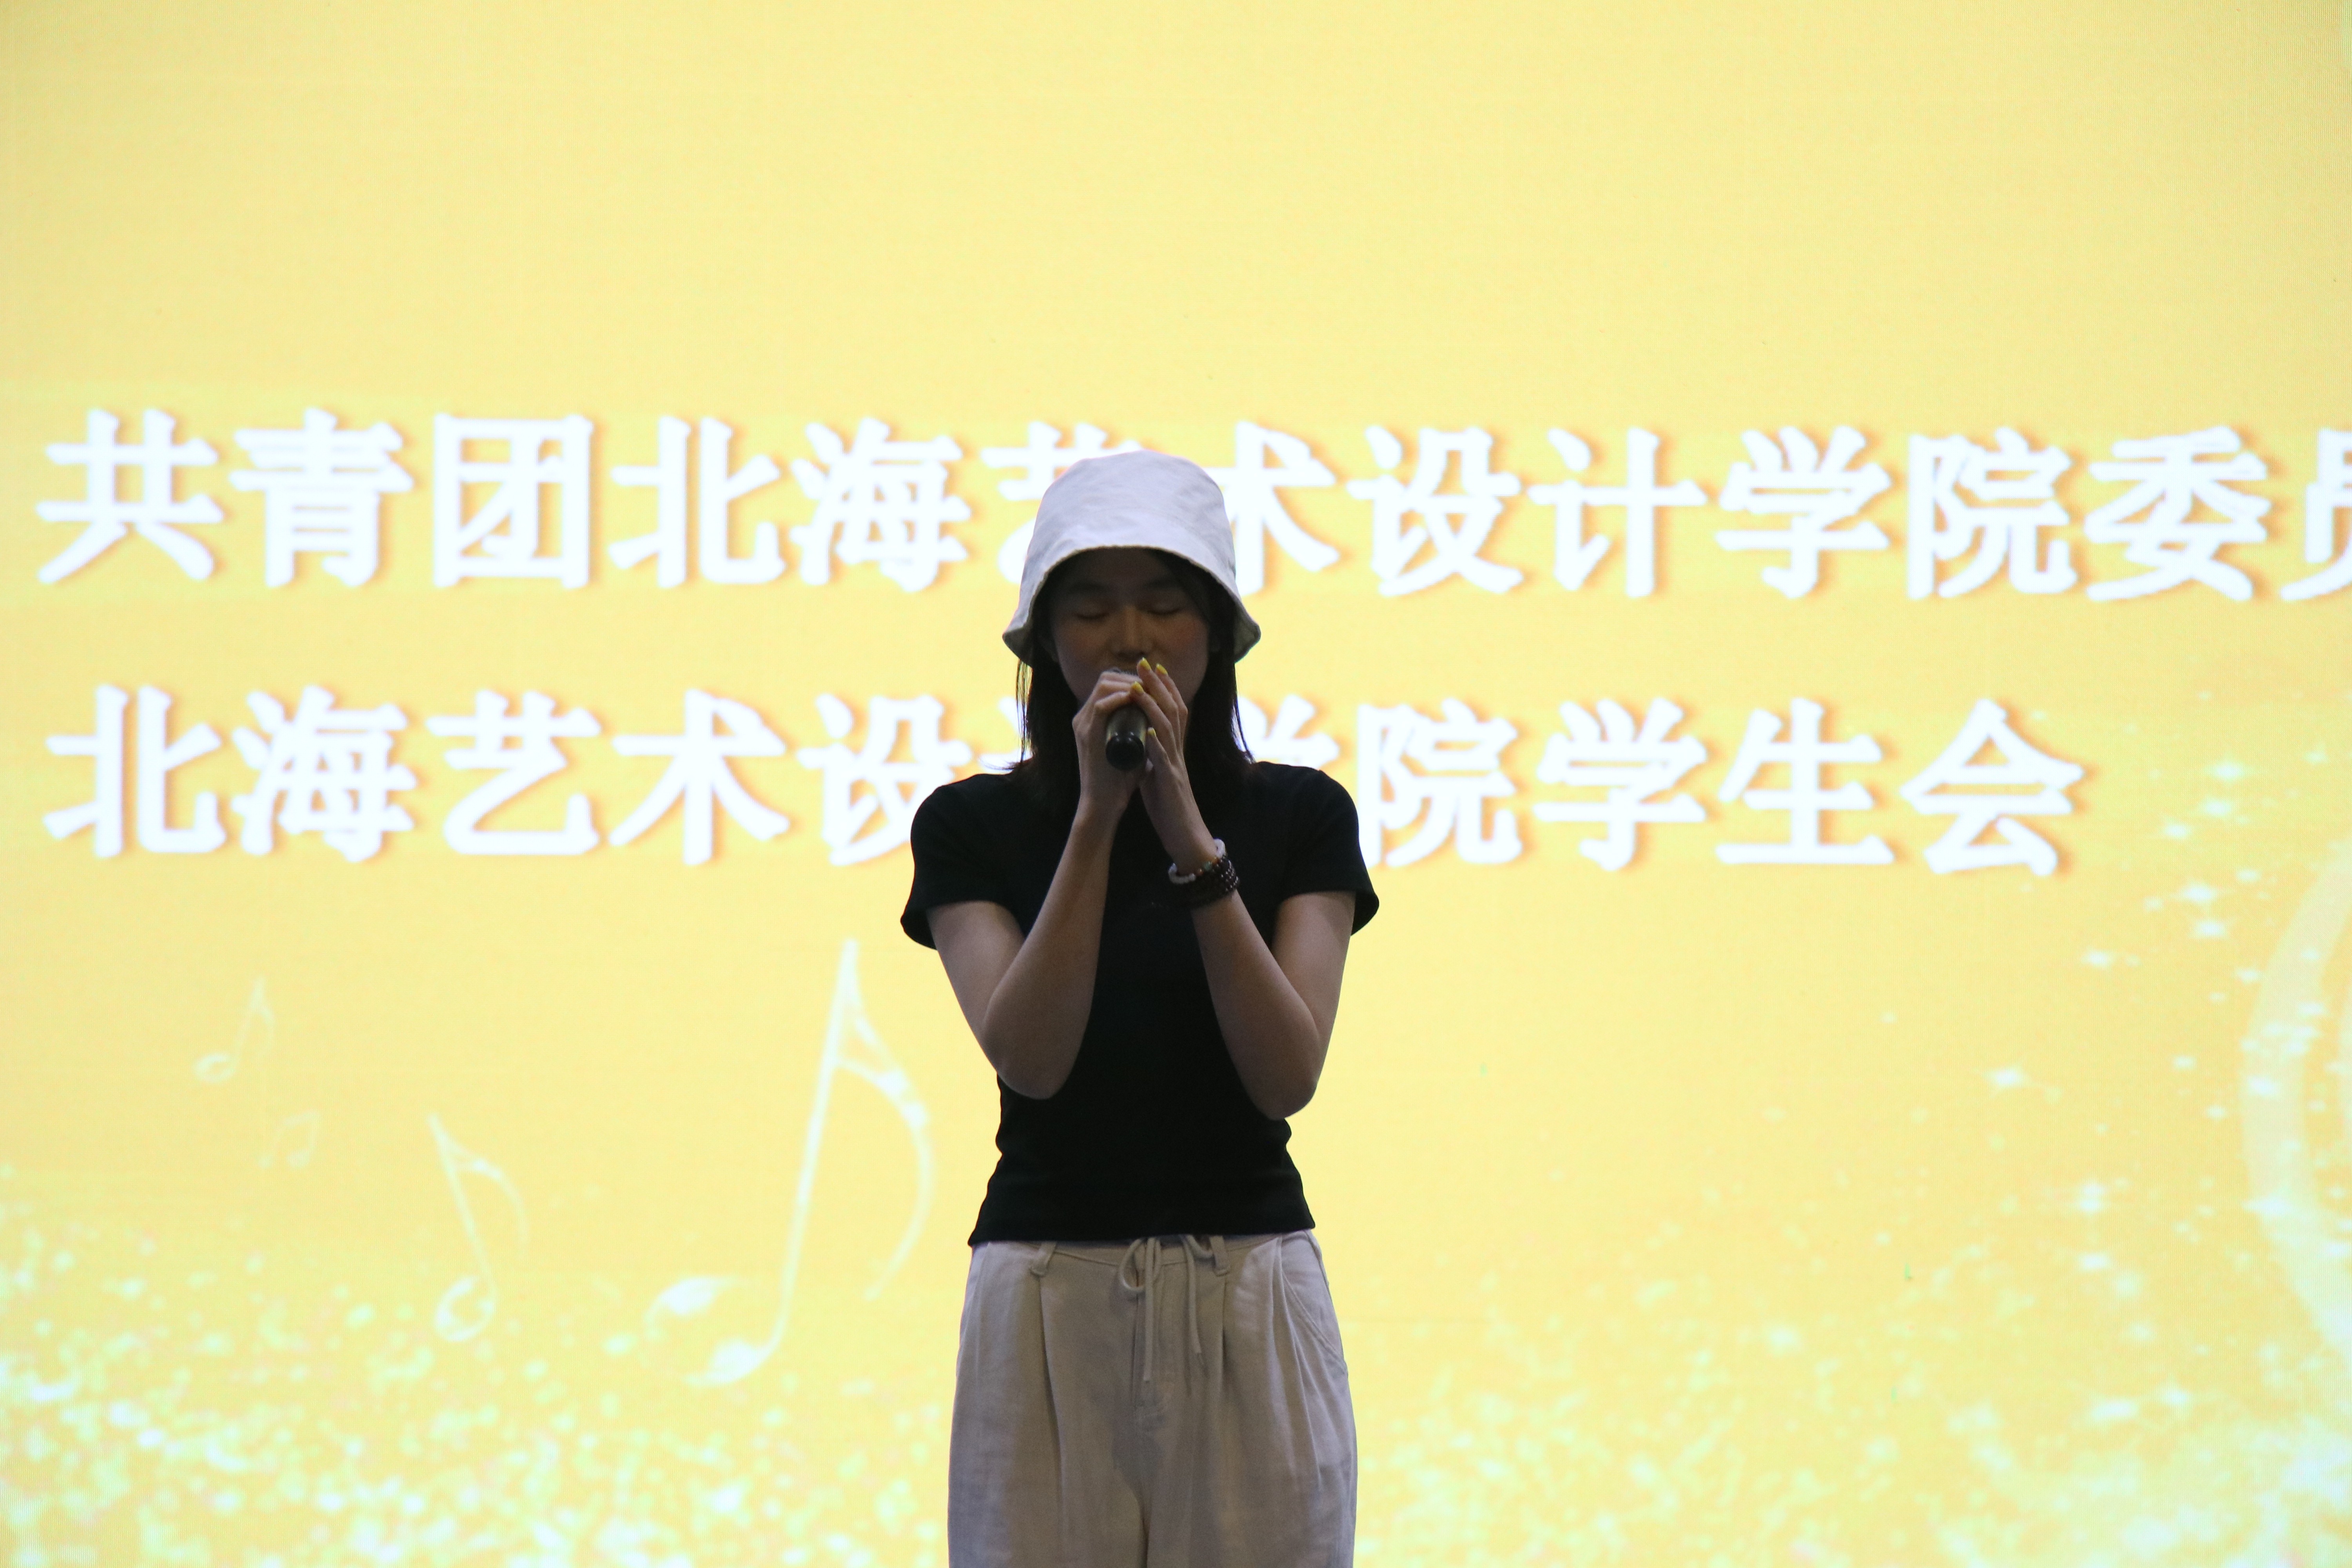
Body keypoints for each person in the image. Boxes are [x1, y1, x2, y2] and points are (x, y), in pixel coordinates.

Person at [901, 449, 1378, 1566]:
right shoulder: (971, 827)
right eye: (1091, 610)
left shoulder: (1301, 816)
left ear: (1218, 634)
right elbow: (1031, 1057)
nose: (1129, 639)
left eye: (1164, 605)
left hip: (1249, 1276)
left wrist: (1189, 839)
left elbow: (1286, 1072)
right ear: (1041, 641)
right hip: (1046, 1282)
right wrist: (1095, 823)